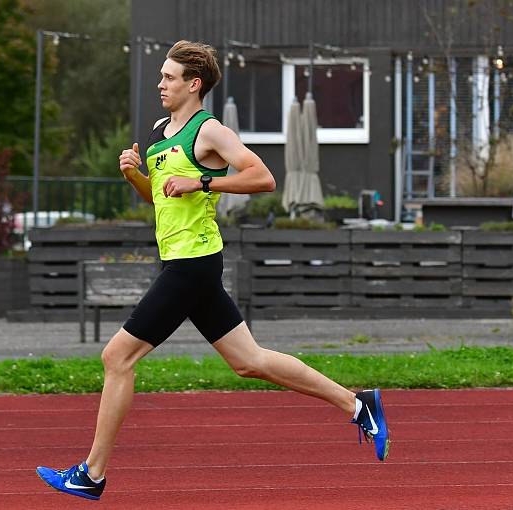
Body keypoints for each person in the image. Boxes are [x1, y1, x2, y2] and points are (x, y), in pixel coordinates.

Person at [36, 40, 390, 501]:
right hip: (185, 262)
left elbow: (263, 177)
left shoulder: (211, 132)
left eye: (169, 77)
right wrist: (136, 178)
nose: (160, 83)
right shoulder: (163, 130)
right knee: (249, 361)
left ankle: (92, 474)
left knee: (116, 357)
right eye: (162, 76)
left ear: (193, 84)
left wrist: (203, 179)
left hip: (192, 264)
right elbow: (163, 197)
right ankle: (358, 403)